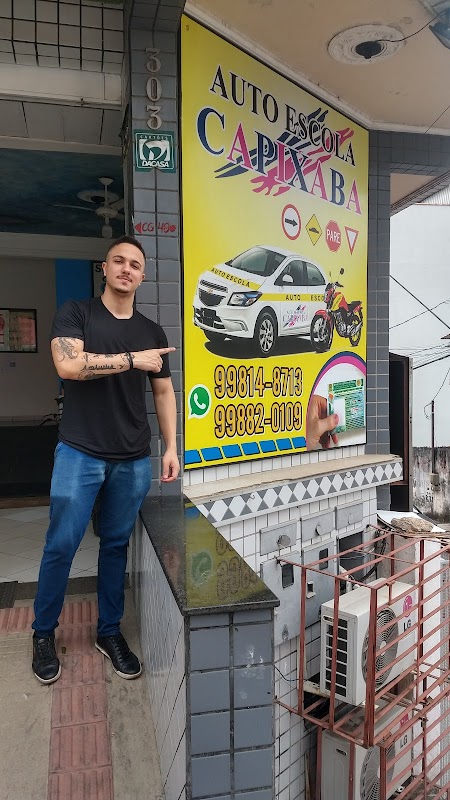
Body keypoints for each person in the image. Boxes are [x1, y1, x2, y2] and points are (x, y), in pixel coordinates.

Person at [32, 235, 179, 684]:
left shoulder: (153, 331)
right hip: (80, 452)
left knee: (115, 547)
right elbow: (70, 367)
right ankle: (42, 633)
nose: (127, 269)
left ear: (143, 274)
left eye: (136, 263)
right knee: (62, 543)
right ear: (105, 267)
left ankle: (109, 631)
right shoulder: (77, 314)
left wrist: (170, 447)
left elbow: (163, 390)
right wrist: (134, 359)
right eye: (119, 260)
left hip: (132, 458)